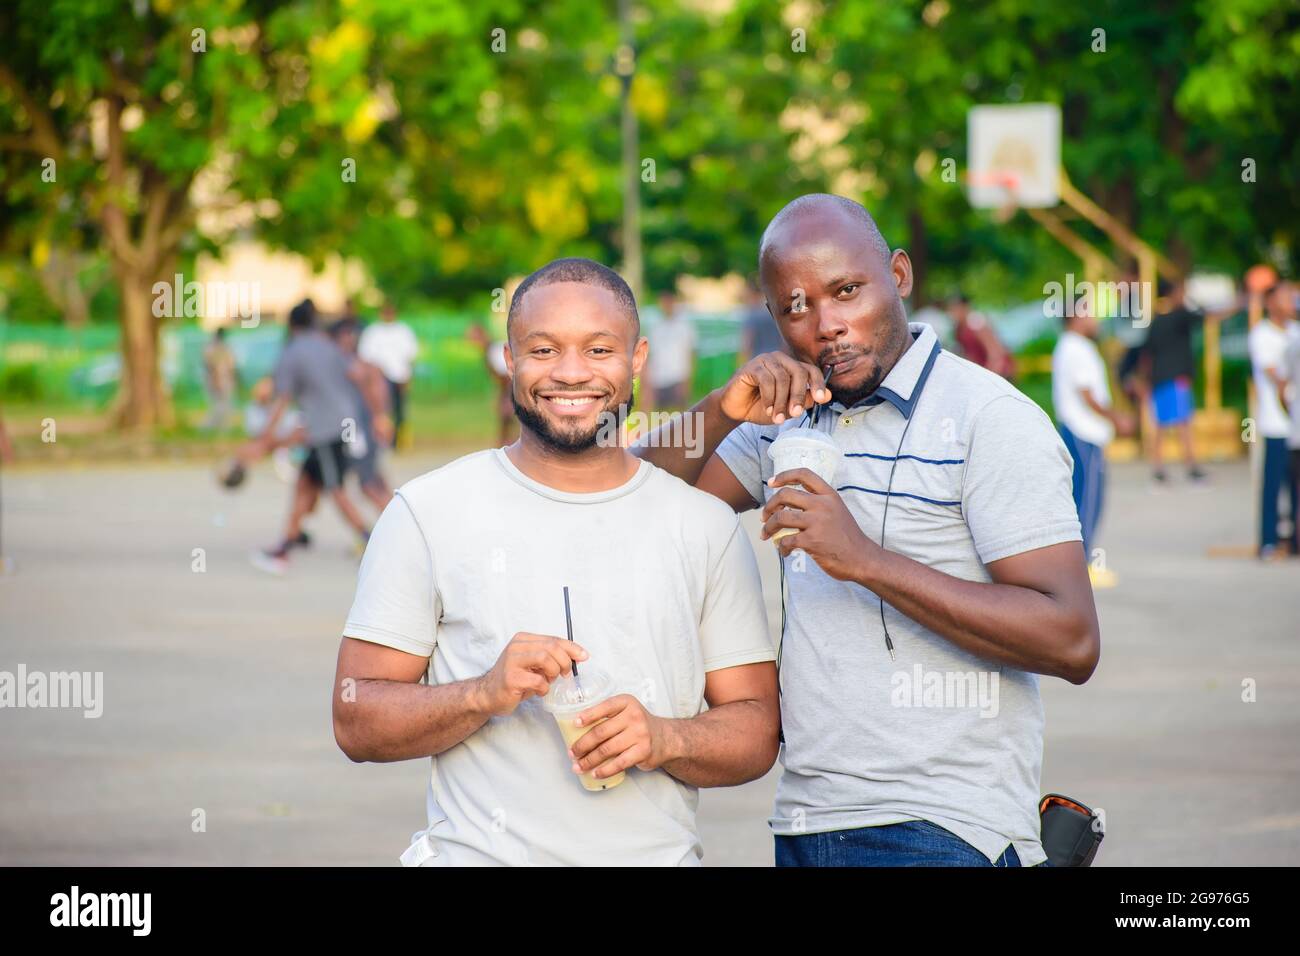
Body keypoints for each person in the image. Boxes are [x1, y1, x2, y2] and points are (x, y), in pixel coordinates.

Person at [634, 194, 1101, 868]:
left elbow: (1073, 640)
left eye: (847, 291)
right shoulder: (784, 419)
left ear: (900, 276)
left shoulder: (988, 418)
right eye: (796, 306)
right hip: (807, 818)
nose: (826, 325)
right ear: (773, 319)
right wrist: (719, 409)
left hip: (942, 825)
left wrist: (864, 560)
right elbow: (633, 499)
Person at [333, 257, 778, 866]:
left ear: (638, 359)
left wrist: (665, 736)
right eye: (543, 351)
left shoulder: (703, 526)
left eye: (599, 351)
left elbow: (755, 730)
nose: (572, 374)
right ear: (509, 360)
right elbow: (355, 718)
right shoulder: (427, 511)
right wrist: (482, 694)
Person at [251, 300, 376, 575]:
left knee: (336, 489)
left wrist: (265, 437)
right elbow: (356, 373)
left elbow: (282, 399)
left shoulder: (292, 352)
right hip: (344, 422)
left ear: (291, 324)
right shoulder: (328, 345)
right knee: (304, 483)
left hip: (326, 429)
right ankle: (287, 543)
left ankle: (372, 540)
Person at [1051, 301, 1134, 587]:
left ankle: (1079, 565)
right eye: (1088, 311)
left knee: (1084, 497)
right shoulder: (1076, 348)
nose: (1095, 317)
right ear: (1075, 316)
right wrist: (1117, 419)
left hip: (1080, 430)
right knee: (1088, 500)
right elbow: (1087, 394)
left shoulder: (1072, 345)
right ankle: (1082, 566)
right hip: (1084, 431)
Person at [1144, 280, 1222, 486]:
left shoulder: (1157, 320)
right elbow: (1208, 316)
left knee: (1161, 425)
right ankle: (1191, 467)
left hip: (1158, 378)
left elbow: (1147, 352)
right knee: (1184, 423)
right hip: (1176, 377)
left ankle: (1158, 469)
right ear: (1174, 293)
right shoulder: (1180, 315)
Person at [1249, 280, 1299, 558]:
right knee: (1273, 484)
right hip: (1276, 421)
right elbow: (1273, 374)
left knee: (1296, 487)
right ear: (1270, 303)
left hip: (1297, 424)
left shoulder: (1296, 332)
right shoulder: (1262, 335)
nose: (1290, 302)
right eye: (1284, 297)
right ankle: (1268, 540)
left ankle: (1294, 539)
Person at [330, 317, 395, 512]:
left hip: (360, 430)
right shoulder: (350, 363)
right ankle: (395, 518)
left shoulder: (357, 366)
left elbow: (375, 392)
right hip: (354, 428)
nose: (348, 339)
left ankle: (394, 522)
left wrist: (380, 418)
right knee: (373, 478)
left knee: (367, 483)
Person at [358, 303, 418, 448]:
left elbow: (410, 355)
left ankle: (398, 441)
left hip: (400, 377)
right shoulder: (373, 332)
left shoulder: (403, 331)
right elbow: (366, 356)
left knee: (399, 411)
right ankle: (384, 440)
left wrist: (408, 375)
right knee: (383, 411)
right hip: (380, 378)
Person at [646, 291, 696, 410]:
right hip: (658, 379)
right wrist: (648, 384)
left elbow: (690, 354)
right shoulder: (656, 327)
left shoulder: (684, 326)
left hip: (677, 377)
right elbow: (650, 355)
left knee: (682, 416)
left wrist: (687, 380)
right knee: (660, 418)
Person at [948, 294, 1015, 379]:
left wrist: (990, 376)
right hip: (981, 372)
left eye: (955, 309)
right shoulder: (959, 329)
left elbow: (996, 353)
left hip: (997, 372)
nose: (952, 313)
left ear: (965, 307)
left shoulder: (977, 323)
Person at [737, 279, 788, 365]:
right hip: (778, 360)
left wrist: (742, 364)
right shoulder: (774, 311)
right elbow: (784, 341)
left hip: (758, 363)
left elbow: (747, 343)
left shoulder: (751, 315)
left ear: (751, 293)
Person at [202, 326, 239, 430]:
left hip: (225, 379)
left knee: (225, 405)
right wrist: (215, 380)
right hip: (216, 379)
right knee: (217, 405)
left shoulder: (224, 347)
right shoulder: (212, 347)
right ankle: (210, 426)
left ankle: (222, 427)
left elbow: (231, 365)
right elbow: (210, 366)